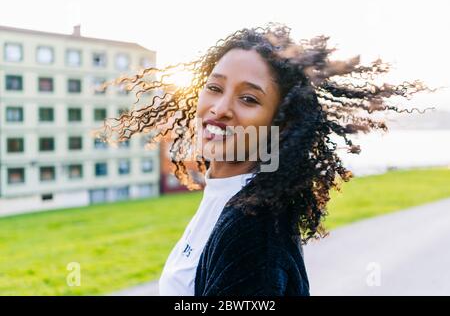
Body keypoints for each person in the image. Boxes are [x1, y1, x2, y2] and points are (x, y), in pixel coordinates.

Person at [98, 23, 433, 296]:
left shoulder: (253, 230)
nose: (220, 109)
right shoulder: (227, 194)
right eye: (214, 88)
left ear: (279, 124)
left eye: (248, 98)